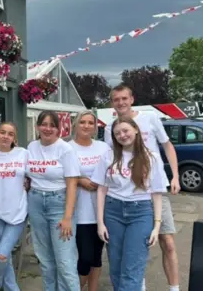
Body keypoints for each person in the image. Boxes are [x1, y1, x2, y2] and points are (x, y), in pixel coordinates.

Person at [104, 83, 181, 291]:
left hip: (152, 189)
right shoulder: (111, 128)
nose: (120, 102)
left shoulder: (150, 118)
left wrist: (174, 176)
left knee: (167, 241)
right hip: (124, 195)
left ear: (131, 99)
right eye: (116, 99)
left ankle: (174, 288)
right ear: (112, 103)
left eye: (124, 98)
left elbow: (167, 145)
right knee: (133, 247)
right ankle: (139, 286)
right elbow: (110, 160)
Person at [92, 117, 167, 291]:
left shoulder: (151, 157)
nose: (122, 135)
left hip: (140, 213)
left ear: (135, 129)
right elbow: (101, 189)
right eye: (117, 133)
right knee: (116, 267)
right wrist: (100, 223)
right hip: (113, 212)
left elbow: (156, 193)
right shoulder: (109, 156)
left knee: (132, 268)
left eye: (125, 131)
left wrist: (156, 226)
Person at [26, 110, 81, 291]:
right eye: (44, 124)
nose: (47, 129)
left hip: (58, 202)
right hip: (35, 201)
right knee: (45, 260)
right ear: (37, 126)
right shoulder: (32, 147)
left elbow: (72, 183)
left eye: (52, 125)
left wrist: (67, 217)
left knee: (65, 262)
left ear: (58, 129)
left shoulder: (65, 149)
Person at [0, 122, 28, 291]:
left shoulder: (23, 154)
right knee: (5, 255)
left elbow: (34, 176)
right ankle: (11, 288)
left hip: (18, 213)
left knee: (1, 255)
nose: (5, 136)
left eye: (10, 134)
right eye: (2, 132)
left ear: (14, 138)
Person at [69, 110, 111, 291]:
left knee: (96, 257)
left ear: (95, 127)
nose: (86, 126)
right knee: (84, 258)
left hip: (101, 212)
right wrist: (80, 180)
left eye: (90, 123)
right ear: (75, 125)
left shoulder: (103, 148)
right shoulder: (67, 148)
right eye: (82, 122)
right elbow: (58, 174)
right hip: (79, 212)